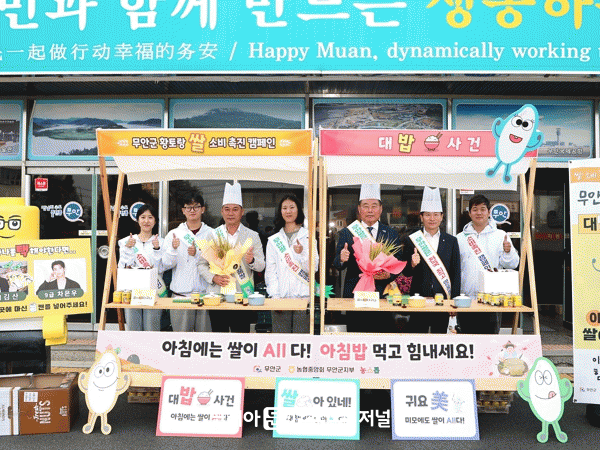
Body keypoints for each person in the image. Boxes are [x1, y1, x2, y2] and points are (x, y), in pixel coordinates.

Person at [332, 184, 402, 332]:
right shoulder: (347, 232)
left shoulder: (391, 233)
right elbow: (337, 264)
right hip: (355, 293)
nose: (370, 210)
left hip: (382, 293)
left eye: (374, 206)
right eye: (365, 206)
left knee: (381, 336)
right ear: (359, 209)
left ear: (381, 209)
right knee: (356, 337)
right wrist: (342, 259)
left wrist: (389, 275)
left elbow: (398, 262)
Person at [207, 182, 266, 333]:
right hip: (217, 296)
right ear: (222, 211)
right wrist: (213, 277)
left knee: (240, 339)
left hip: (242, 296)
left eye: (235, 209)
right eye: (227, 209)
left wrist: (251, 261)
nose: (230, 213)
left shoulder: (252, 236)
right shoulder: (213, 235)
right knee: (218, 338)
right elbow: (201, 264)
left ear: (242, 212)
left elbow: (261, 265)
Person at [456, 194, 519, 334]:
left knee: (490, 339)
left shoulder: (500, 235)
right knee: (467, 339)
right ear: (469, 213)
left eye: (482, 209)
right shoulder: (460, 238)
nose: (479, 213)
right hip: (466, 299)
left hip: (492, 300)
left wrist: (508, 252)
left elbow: (513, 264)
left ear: (489, 212)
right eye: (475, 209)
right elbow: (455, 269)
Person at [402, 187, 461, 333]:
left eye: (436, 215)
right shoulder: (412, 239)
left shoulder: (451, 241)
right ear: (421, 217)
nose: (432, 218)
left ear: (442, 216)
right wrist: (412, 264)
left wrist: (453, 302)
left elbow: (456, 273)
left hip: (443, 300)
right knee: (417, 338)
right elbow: (406, 272)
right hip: (418, 299)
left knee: (439, 338)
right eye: (427, 215)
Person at [265, 194, 318, 333]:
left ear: (298, 210)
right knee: (281, 340)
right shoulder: (274, 240)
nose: (288, 211)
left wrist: (301, 254)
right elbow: (270, 271)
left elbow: (313, 268)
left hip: (304, 298)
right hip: (280, 299)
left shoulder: (308, 236)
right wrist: (275, 297)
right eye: (284, 208)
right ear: (280, 211)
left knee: (302, 340)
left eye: (292, 207)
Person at [162, 191, 214, 332]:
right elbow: (165, 264)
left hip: (206, 297)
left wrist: (198, 254)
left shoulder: (212, 233)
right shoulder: (174, 234)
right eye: (188, 207)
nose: (192, 210)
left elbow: (219, 264)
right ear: (183, 210)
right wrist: (173, 249)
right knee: (181, 340)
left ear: (203, 209)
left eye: (196, 206)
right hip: (181, 297)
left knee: (204, 340)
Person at [117, 204, 164, 331]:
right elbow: (122, 267)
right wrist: (128, 248)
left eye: (150, 217)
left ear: (155, 221)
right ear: (137, 220)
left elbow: (160, 268)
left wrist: (157, 249)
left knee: (152, 329)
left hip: (153, 292)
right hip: (132, 291)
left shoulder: (161, 242)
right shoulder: (126, 241)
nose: (146, 221)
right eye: (143, 217)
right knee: (133, 329)